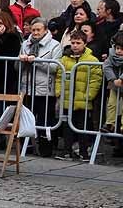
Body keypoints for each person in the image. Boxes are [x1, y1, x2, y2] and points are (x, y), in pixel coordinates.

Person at [56, 31, 103, 161]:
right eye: (73, 43)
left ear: (85, 44)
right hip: (67, 98)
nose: (75, 46)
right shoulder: (65, 59)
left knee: (82, 127)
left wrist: (89, 95)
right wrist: (59, 91)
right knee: (66, 127)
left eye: (78, 43)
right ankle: (67, 150)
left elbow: (95, 80)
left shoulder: (92, 60)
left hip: (83, 99)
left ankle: (83, 151)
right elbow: (59, 77)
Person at [18, 19, 62, 157]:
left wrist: (36, 61)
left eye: (38, 30)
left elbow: (55, 67)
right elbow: (16, 66)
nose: (35, 33)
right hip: (27, 87)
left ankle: (45, 149)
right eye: (33, 30)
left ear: (45, 30)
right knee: (26, 119)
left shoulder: (55, 45)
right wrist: (21, 61)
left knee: (45, 120)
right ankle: (26, 147)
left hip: (45, 88)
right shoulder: (25, 44)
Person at [102, 32, 123, 141]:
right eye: (118, 48)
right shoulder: (111, 55)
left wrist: (121, 79)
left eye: (122, 49)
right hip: (114, 83)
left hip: (121, 81)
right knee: (111, 104)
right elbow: (106, 66)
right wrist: (113, 79)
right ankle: (109, 123)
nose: (119, 51)